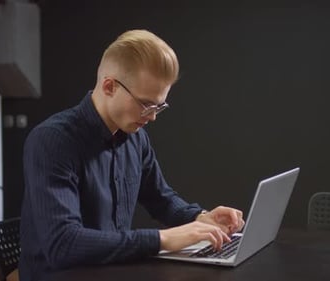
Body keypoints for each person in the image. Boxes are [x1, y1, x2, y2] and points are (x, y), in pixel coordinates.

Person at [19, 29, 245, 281]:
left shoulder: (136, 137)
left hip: (113, 271)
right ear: (109, 86)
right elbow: (64, 244)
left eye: (160, 105)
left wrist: (200, 218)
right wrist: (164, 239)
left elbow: (161, 198)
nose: (153, 116)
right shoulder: (52, 141)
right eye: (146, 104)